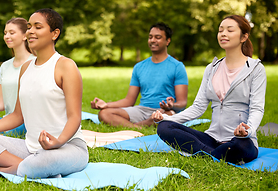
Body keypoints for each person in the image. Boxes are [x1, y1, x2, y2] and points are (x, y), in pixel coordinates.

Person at [0, 8, 88, 178]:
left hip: (68, 147)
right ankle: (25, 167)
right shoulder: (25, 69)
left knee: (43, 161)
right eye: (29, 27)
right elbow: (17, 116)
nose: (30, 32)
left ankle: (17, 168)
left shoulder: (66, 66)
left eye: (38, 27)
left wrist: (57, 142)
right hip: (31, 148)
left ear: (54, 34)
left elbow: (75, 117)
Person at [152, 15, 266, 164]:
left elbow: (257, 108)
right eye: (220, 30)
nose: (223, 34)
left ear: (244, 37)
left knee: (239, 147)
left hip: (240, 140)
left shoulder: (256, 69)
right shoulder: (212, 68)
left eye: (229, 30)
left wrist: (247, 130)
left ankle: (206, 154)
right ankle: (214, 154)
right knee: (164, 128)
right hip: (211, 138)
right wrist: (167, 118)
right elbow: (198, 107)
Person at [91, 22, 188, 128]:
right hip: (141, 110)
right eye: (150, 37)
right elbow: (129, 100)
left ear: (167, 41)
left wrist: (171, 106)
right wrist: (106, 105)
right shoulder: (139, 67)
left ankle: (136, 125)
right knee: (104, 113)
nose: (153, 40)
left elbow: (182, 103)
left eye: (158, 37)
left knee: (170, 115)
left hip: (165, 111)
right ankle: (140, 127)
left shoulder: (177, 67)